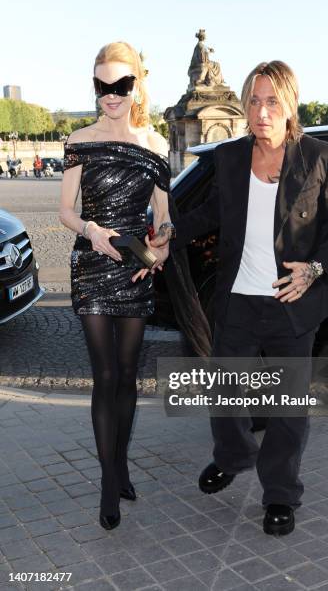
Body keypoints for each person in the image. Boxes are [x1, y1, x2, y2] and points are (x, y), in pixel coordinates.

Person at [159, 61, 328, 536]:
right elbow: (207, 214)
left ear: (290, 105)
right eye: (253, 101)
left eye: (271, 101)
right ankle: (234, 454)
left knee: (287, 407)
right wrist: (166, 236)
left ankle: (281, 494)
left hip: (292, 301)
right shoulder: (230, 158)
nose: (261, 112)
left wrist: (315, 268)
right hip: (239, 298)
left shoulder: (321, 157)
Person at [59, 41, 174, 531]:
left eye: (120, 86)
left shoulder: (155, 145)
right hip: (91, 265)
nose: (110, 95)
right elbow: (66, 211)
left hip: (134, 268)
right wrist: (91, 231)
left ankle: (120, 464)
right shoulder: (78, 140)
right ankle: (109, 484)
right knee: (104, 376)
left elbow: (166, 220)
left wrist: (160, 251)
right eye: (102, 86)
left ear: (136, 86)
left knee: (128, 375)